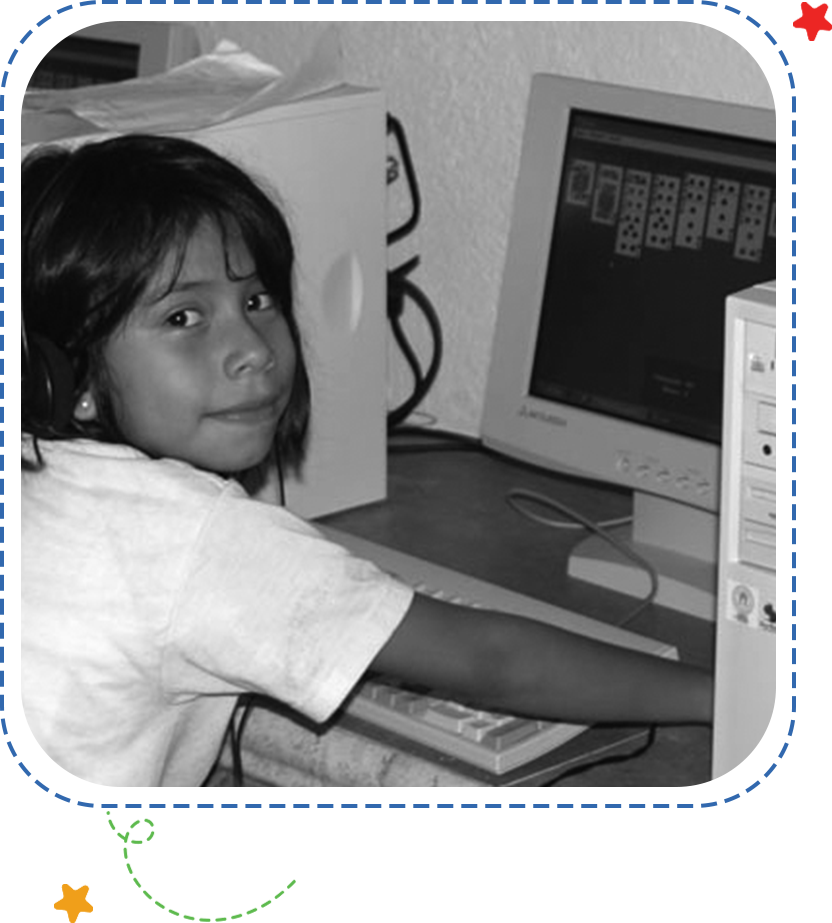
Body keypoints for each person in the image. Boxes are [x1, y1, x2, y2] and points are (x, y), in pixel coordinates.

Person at [21, 134, 712, 800]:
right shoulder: (190, 540)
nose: (254, 349)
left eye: (257, 300)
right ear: (69, 375)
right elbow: (493, 659)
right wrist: (727, 694)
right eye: (183, 317)